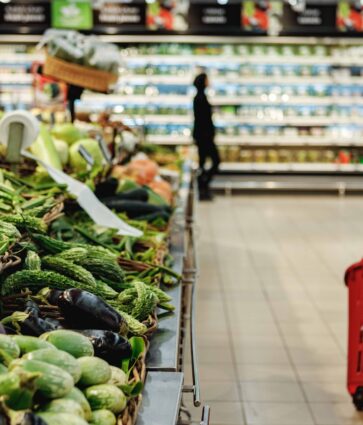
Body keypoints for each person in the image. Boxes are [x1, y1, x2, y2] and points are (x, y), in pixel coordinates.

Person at [193, 72, 220, 201]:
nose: (209, 81)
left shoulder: (200, 97)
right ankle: (202, 185)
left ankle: (203, 187)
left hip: (202, 136)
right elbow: (202, 120)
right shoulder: (200, 98)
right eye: (207, 79)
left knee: (203, 162)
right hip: (205, 137)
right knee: (215, 161)